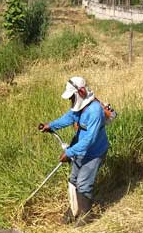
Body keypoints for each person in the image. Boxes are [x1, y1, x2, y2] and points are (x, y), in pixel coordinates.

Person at [39, 76, 109, 225]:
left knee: (83, 183)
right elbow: (69, 117)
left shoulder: (95, 111)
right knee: (73, 180)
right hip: (80, 149)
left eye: (72, 97)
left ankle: (86, 215)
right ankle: (74, 209)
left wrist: (69, 153)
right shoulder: (79, 108)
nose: (71, 100)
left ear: (80, 93)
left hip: (94, 152)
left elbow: (89, 140)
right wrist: (50, 126)